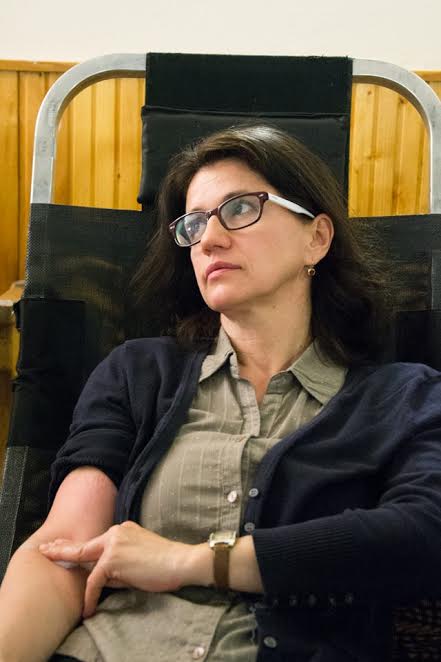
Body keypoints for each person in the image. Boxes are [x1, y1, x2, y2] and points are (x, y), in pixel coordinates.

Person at [1, 124, 441, 662]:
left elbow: (425, 535)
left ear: (317, 238)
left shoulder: (405, 399)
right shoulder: (137, 373)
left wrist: (194, 562)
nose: (208, 239)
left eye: (239, 209)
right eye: (193, 224)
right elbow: (63, 550)